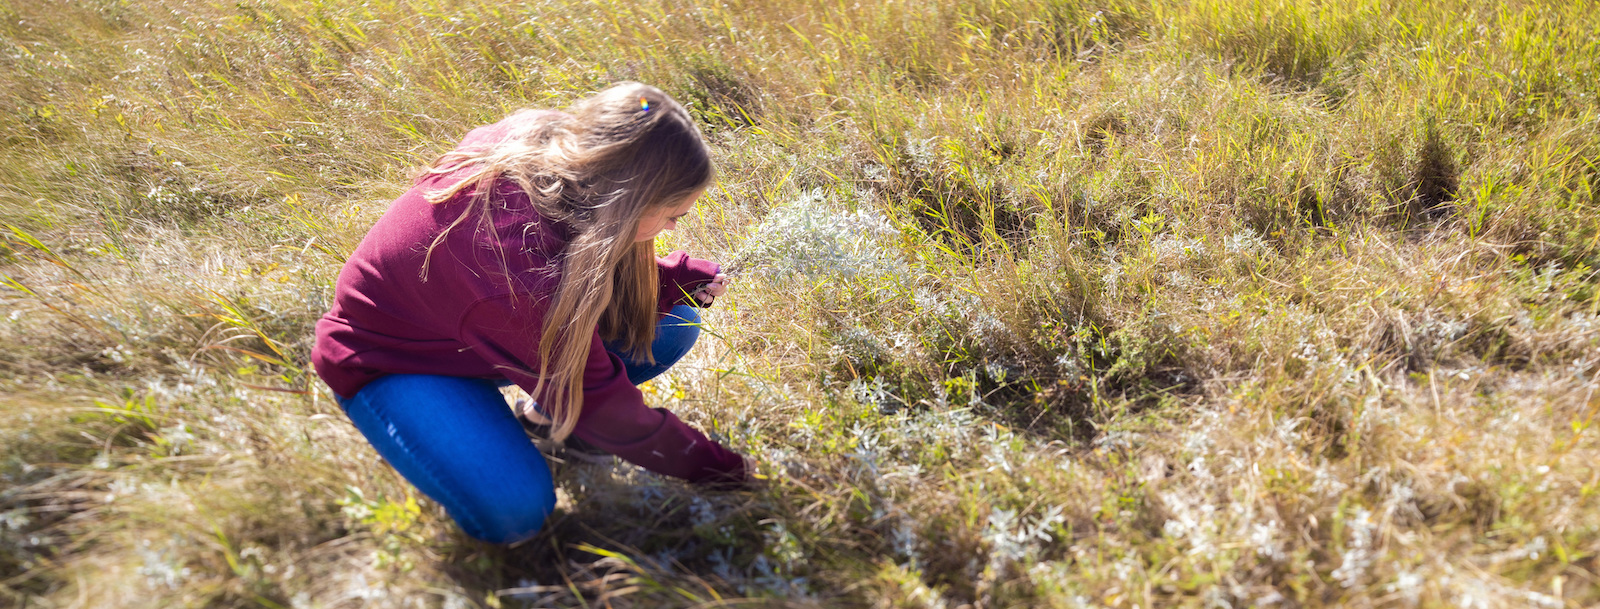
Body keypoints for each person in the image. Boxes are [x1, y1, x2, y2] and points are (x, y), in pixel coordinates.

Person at [311, 82, 749, 545]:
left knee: (672, 323)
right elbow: (605, 406)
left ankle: (547, 425)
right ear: (625, 204)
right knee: (517, 511)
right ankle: (470, 440)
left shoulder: (560, 149)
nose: (672, 227)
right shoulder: (512, 271)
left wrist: (669, 280)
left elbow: (580, 257)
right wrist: (726, 471)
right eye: (672, 216)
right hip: (392, 361)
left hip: (477, 331)